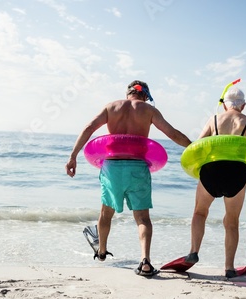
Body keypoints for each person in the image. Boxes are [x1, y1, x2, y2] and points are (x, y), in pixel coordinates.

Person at [66, 80, 191, 276]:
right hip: (137, 167)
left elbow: (89, 127)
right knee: (142, 218)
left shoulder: (111, 107)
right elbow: (172, 133)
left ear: (128, 93)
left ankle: (101, 252)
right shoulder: (149, 111)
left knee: (106, 213)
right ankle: (145, 262)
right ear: (145, 96)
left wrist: (73, 156)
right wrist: (194, 148)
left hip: (112, 169)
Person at [184, 87, 246, 278]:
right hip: (236, 174)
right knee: (232, 222)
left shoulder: (214, 119)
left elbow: (198, 146)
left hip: (212, 171)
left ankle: (193, 252)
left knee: (200, 213)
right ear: (243, 105)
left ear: (224, 105)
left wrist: (197, 169)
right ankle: (229, 268)